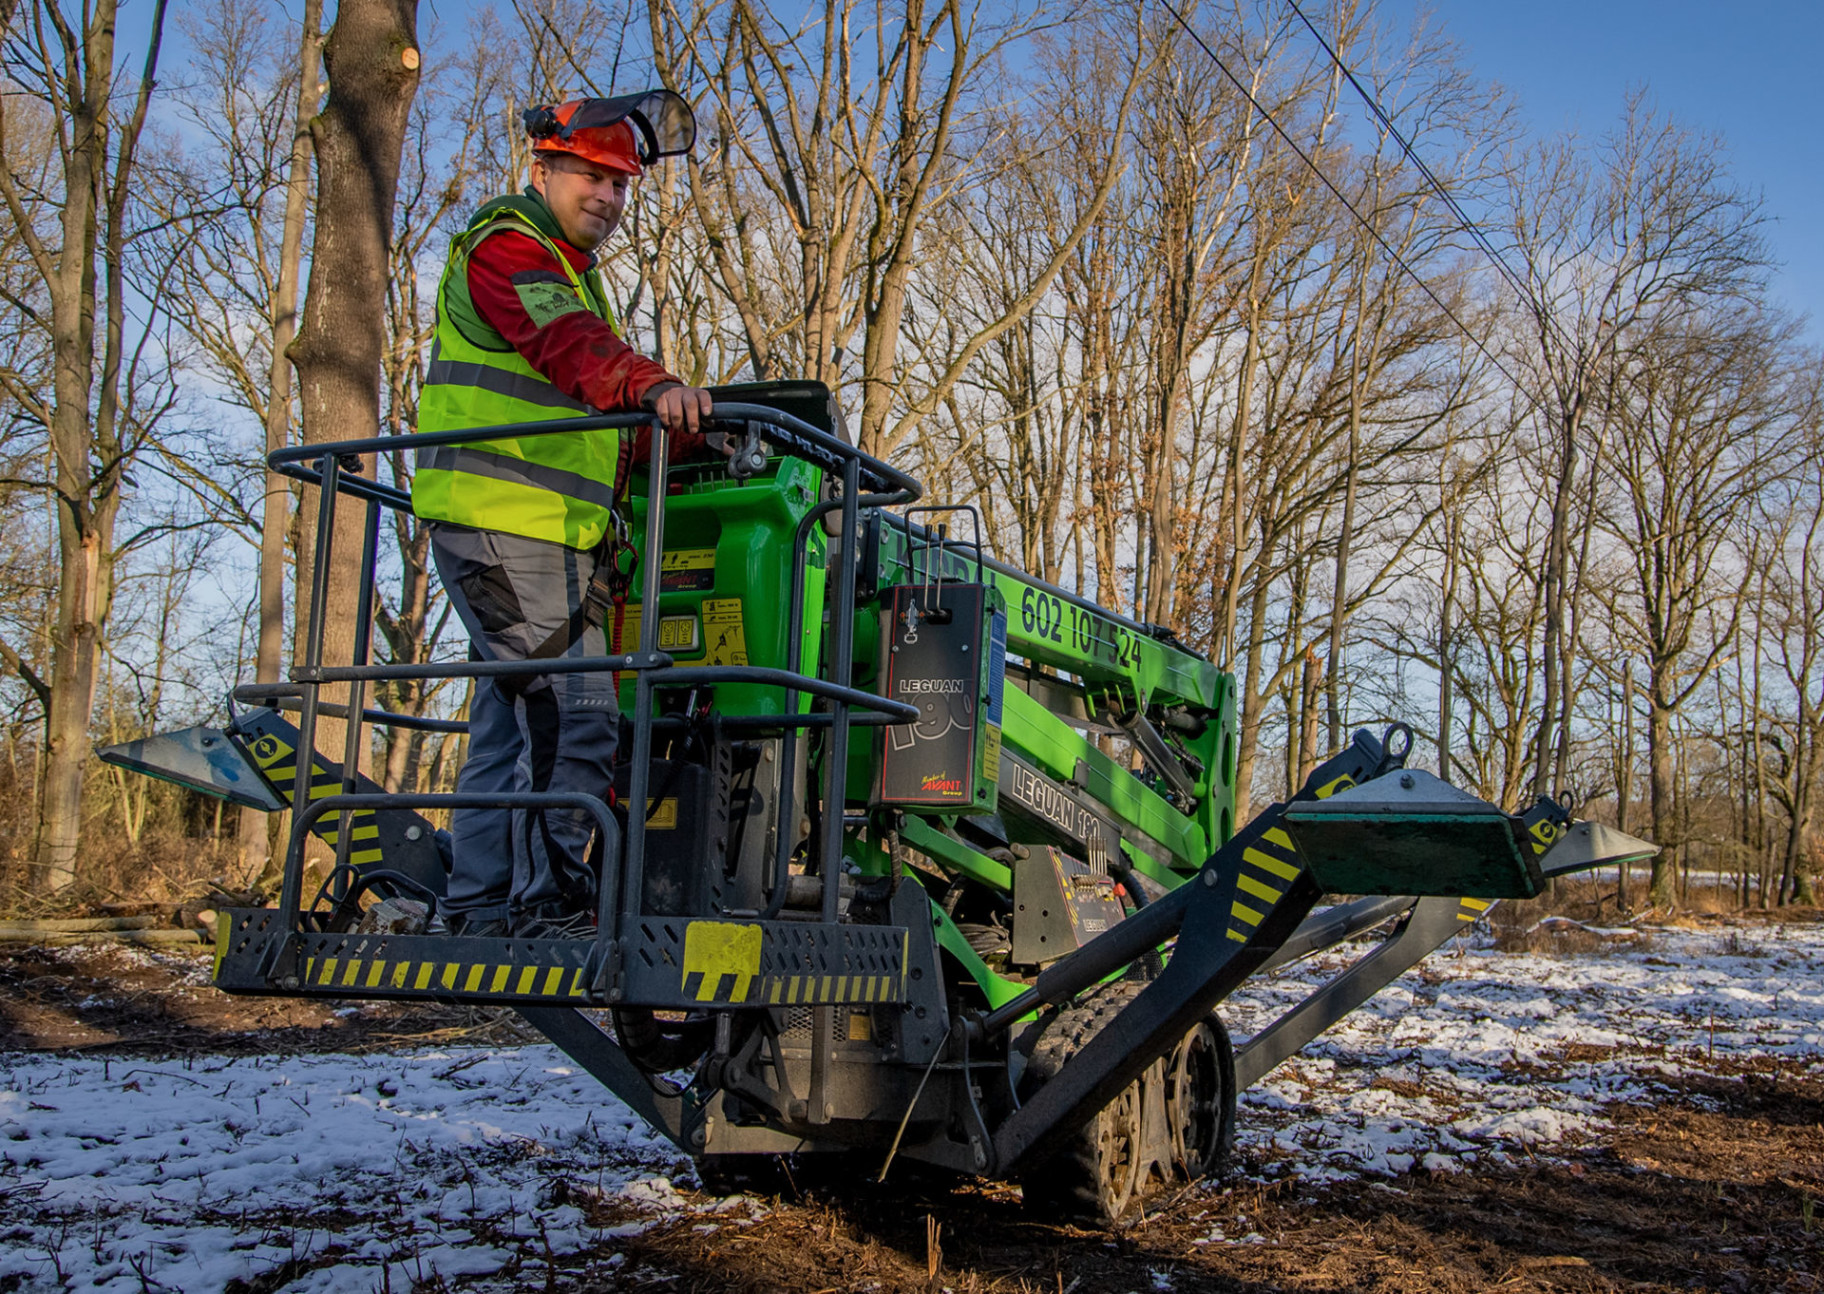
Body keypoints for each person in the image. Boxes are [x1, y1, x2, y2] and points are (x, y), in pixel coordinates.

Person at [413, 92, 723, 938]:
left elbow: (594, 428)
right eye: (591, 175)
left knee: (509, 733)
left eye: (621, 184)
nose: (608, 197)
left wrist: (696, 437)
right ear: (541, 169)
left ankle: (479, 904)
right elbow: (574, 351)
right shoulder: (511, 250)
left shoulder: (567, 277)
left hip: (542, 538)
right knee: (578, 710)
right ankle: (543, 903)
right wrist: (653, 387)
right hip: (503, 523)